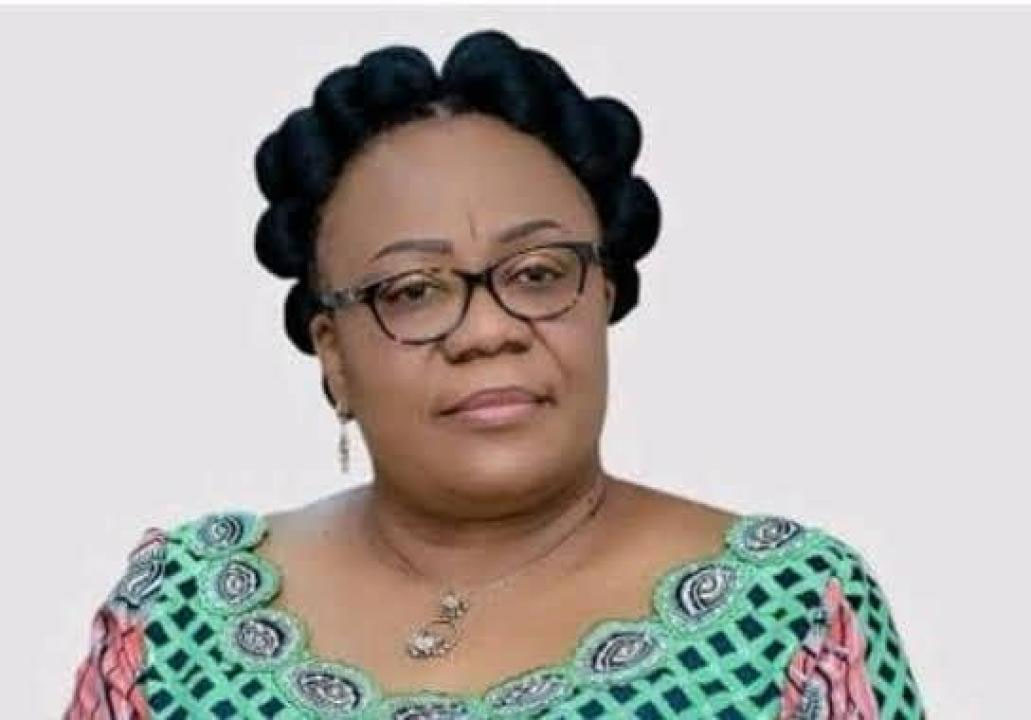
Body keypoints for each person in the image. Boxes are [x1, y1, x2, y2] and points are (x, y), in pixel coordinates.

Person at [63, 28, 927, 720]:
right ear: (332, 352)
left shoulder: (789, 616)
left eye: (538, 274)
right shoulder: (177, 614)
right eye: (412, 290)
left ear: (603, 298)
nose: (487, 330)